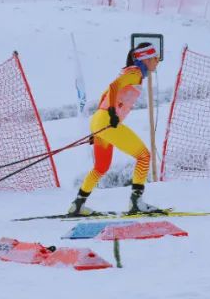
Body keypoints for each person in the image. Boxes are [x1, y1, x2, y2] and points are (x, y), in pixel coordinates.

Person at [68, 42, 162, 216]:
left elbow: (106, 94)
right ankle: (136, 202)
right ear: (146, 59)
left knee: (101, 167)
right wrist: (111, 113)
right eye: (156, 58)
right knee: (144, 156)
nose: (158, 62)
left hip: (100, 120)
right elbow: (112, 87)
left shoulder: (130, 73)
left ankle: (78, 204)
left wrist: (97, 125)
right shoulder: (134, 72)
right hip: (106, 120)